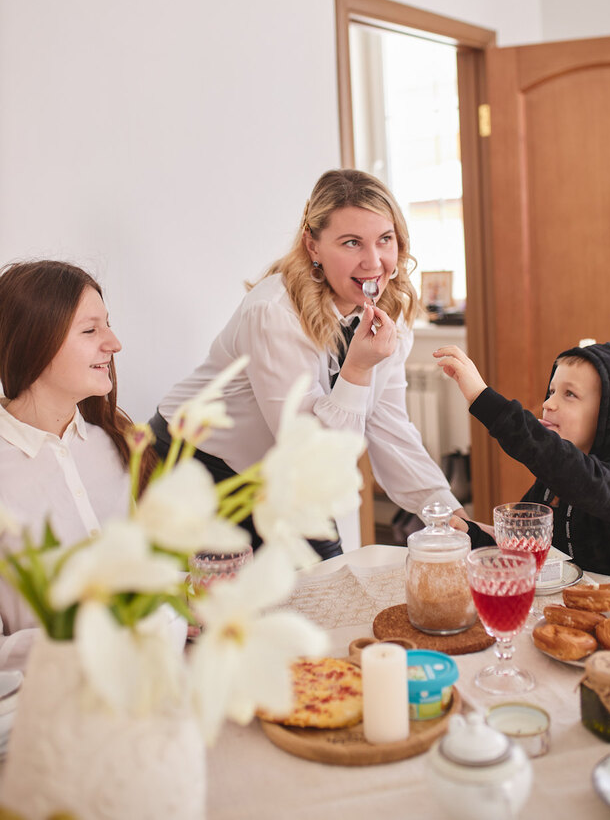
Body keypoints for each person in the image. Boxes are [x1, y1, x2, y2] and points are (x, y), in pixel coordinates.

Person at [149, 168, 464, 558]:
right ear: (312, 246)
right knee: (236, 606)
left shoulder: (391, 313)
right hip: (197, 465)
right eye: (351, 243)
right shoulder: (273, 313)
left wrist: (448, 513)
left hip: (280, 472)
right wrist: (358, 369)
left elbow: (389, 425)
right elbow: (316, 456)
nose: (374, 261)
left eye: (385, 239)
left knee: (329, 586)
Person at [0, 259, 155, 670]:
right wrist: (87, 640)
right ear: (35, 342)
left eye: (107, 324)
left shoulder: (115, 441)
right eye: (90, 330)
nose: (114, 343)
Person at [434, 341, 610, 586]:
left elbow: (567, 467)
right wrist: (471, 534)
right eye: (552, 391)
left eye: (570, 394)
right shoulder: (550, 482)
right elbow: (522, 551)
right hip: (570, 610)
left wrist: (483, 399)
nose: (548, 404)